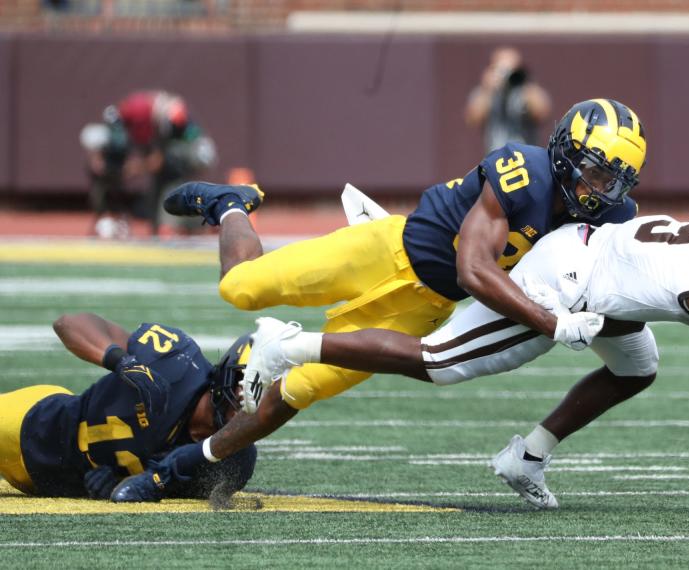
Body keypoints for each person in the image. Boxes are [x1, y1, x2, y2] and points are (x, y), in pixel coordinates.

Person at [113, 195, 689, 508]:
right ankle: (294, 342)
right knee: (438, 361)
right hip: (569, 279)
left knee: (636, 367)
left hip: (607, 266)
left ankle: (526, 456)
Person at [107, 98, 648, 502]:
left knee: (296, 391)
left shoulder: (609, 216)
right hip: (386, 250)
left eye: (615, 182)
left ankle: (176, 469)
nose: (601, 191)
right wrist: (552, 323)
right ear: (565, 153)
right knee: (240, 288)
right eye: (596, 172)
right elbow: (475, 268)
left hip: (420, 307)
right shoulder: (524, 171)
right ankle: (230, 205)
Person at [0, 313, 257, 501]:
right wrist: (122, 361)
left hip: (54, 486)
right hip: (33, 427)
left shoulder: (232, 460)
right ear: (228, 373)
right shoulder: (176, 361)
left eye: (263, 394)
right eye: (245, 384)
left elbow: (162, 490)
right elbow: (68, 323)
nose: (249, 399)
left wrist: (117, 483)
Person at [79, 90, 217, 237]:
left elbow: (159, 160)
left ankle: (180, 224)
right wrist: (101, 159)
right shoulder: (126, 113)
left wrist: (133, 168)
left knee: (171, 168)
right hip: (168, 154)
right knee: (159, 184)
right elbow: (103, 137)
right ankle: (160, 225)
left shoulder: (169, 117)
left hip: (196, 153)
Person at [465, 47, 552, 153]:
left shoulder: (526, 90)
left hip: (526, 158)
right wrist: (487, 88)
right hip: (496, 159)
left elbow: (542, 112)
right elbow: (474, 118)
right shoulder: (487, 93)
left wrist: (525, 83)